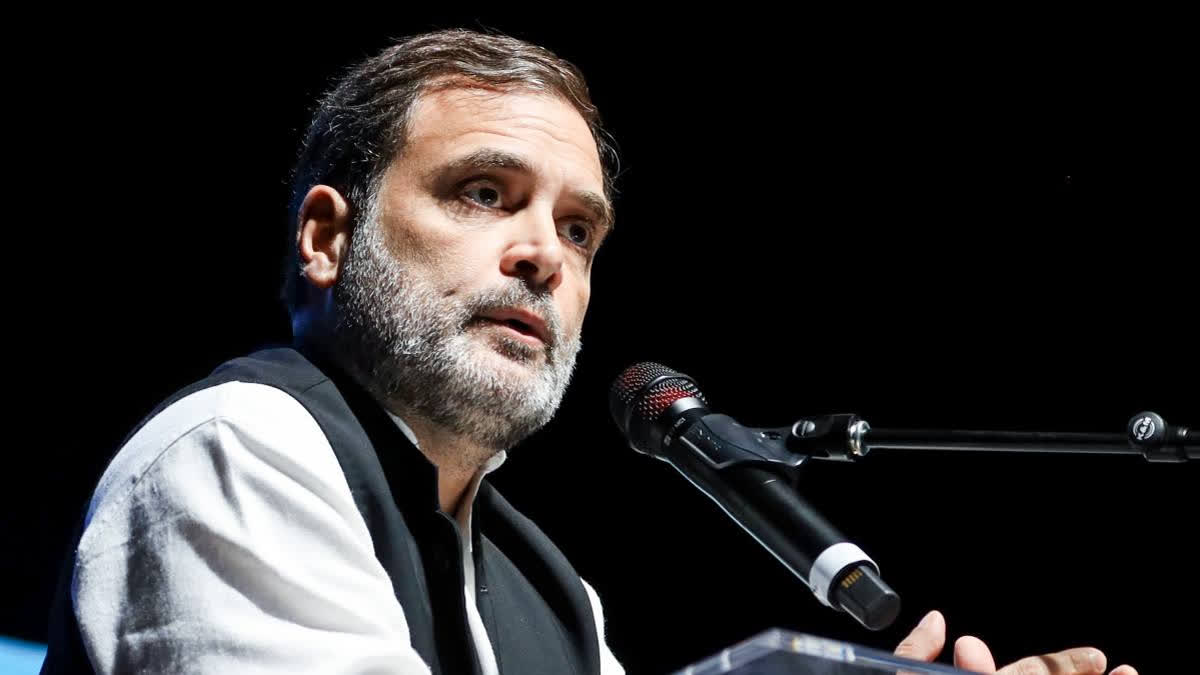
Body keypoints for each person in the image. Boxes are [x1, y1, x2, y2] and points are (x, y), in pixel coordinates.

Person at [42, 29, 1137, 675]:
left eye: (579, 229)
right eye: (484, 193)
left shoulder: (555, 592)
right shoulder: (243, 450)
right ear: (328, 238)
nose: (542, 258)